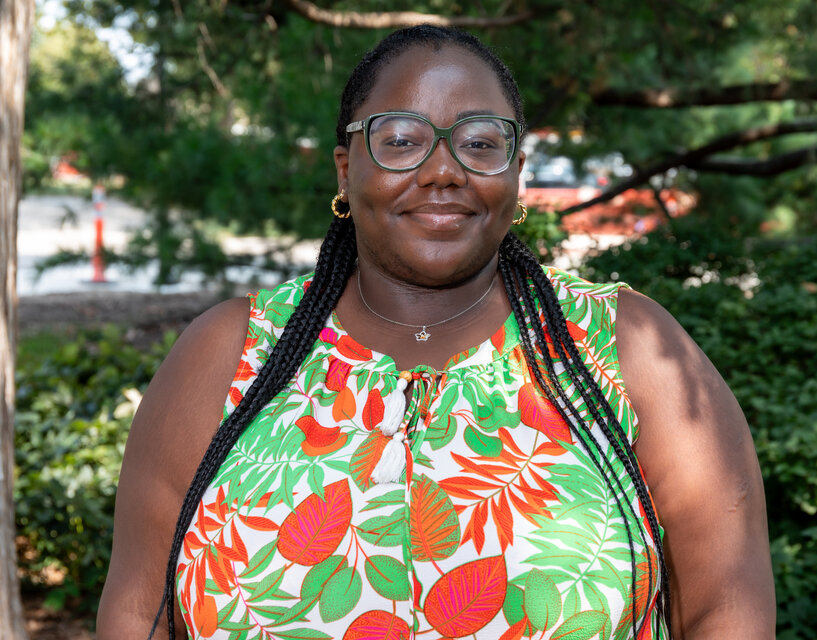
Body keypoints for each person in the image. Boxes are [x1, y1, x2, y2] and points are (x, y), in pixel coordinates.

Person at [97, 25, 775, 640]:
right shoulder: (229, 355)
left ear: (516, 172)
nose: (443, 170)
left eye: (481, 142)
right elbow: (137, 614)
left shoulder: (626, 349)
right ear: (345, 168)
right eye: (401, 140)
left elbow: (726, 610)